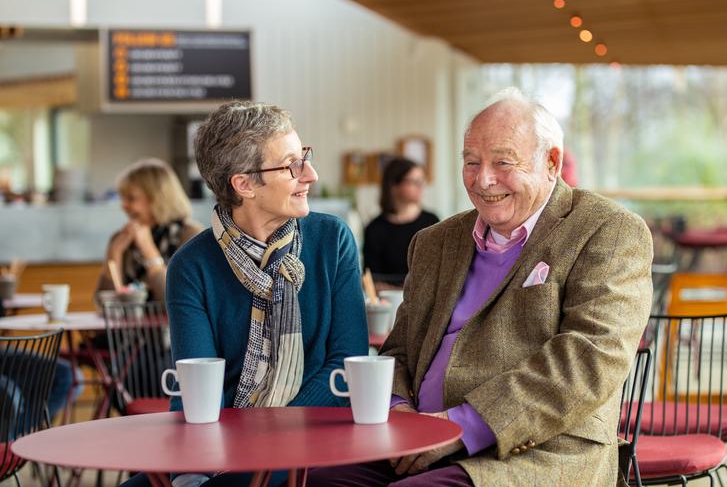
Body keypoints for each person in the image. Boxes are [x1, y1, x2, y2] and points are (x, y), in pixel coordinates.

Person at [307, 87, 653, 487]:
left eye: (503, 162)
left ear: (551, 162)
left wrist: (458, 427)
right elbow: (400, 349)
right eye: (471, 162)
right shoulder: (435, 241)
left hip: (536, 450)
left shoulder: (606, 230)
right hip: (417, 440)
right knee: (320, 478)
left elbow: (590, 357)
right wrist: (401, 412)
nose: (484, 179)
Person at [121, 101, 368, 487]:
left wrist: (264, 437)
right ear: (244, 184)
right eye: (292, 165)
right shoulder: (190, 266)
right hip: (222, 443)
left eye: (304, 157)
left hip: (316, 437)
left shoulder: (332, 241)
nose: (311, 175)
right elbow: (197, 387)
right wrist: (192, 471)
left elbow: (346, 365)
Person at [95, 158, 203, 302]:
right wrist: (114, 254)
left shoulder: (191, 236)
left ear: (158, 197)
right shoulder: (120, 239)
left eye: (131, 198)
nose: (123, 205)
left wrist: (148, 250)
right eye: (123, 198)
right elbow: (104, 304)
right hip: (130, 325)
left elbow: (178, 302)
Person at [363, 158, 439, 289]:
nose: (421, 186)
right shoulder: (375, 228)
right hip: (389, 303)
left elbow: (441, 272)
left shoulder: (432, 221)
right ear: (394, 186)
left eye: (421, 181)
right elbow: (371, 281)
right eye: (414, 181)